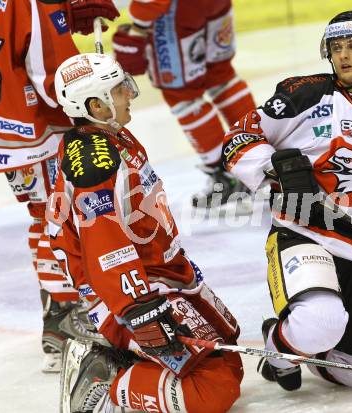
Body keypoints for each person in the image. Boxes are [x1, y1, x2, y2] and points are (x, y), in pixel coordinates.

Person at [221, 10, 352, 391]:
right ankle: (279, 345)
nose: (344, 55)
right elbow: (238, 139)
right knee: (319, 321)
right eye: (336, 48)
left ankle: (302, 346)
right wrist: (276, 166)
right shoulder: (302, 92)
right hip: (304, 230)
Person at [50, 52, 242, 412]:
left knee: (228, 357)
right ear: (96, 105)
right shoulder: (94, 163)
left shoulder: (110, 135)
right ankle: (104, 380)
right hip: (129, 291)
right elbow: (105, 245)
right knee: (211, 392)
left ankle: (129, 359)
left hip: (163, 274)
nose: (130, 94)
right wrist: (138, 310)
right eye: (120, 89)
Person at [0, 0, 121, 372]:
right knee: (63, 218)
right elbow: (52, 76)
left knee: (41, 214)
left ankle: (57, 314)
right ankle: (68, 320)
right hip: (40, 128)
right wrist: (94, 104)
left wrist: (60, 15)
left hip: (4, 130)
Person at [111, 0, 256, 208]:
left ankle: (227, 178)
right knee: (222, 76)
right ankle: (255, 154)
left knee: (181, 94)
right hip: (215, 6)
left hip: (176, 13)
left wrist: (139, 25)